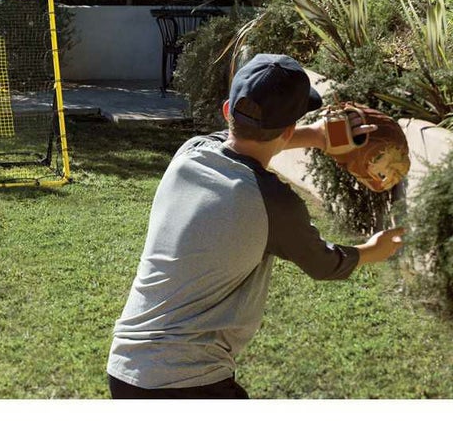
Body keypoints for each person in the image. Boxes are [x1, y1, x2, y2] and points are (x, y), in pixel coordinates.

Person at [106, 53, 405, 399]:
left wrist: (320, 137)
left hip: (125, 368)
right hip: (188, 379)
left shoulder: (191, 151)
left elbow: (242, 142)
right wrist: (373, 251)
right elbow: (324, 264)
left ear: (227, 110)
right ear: (289, 130)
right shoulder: (272, 201)